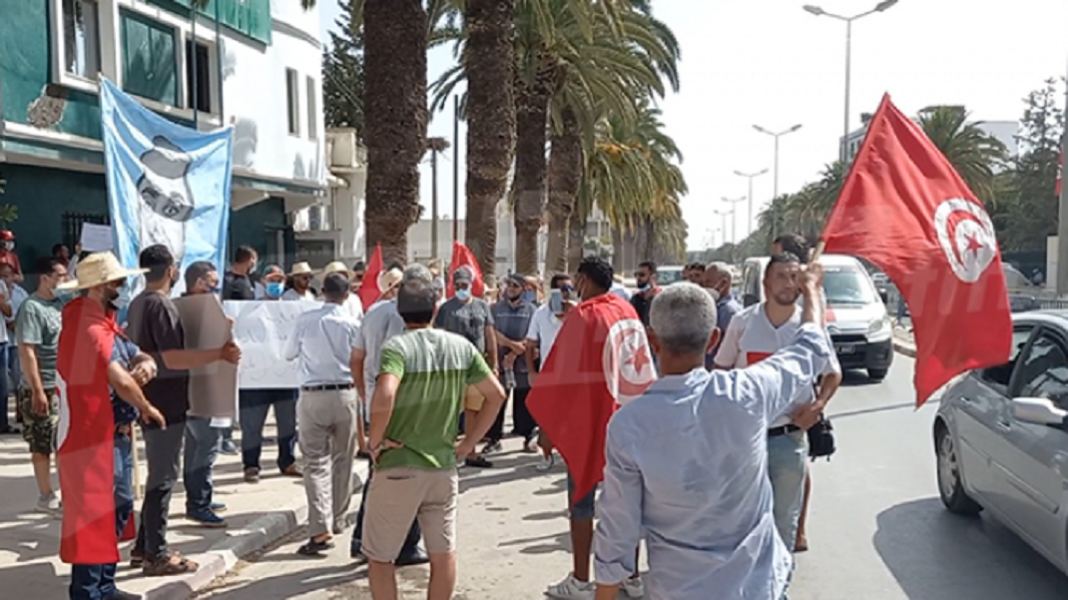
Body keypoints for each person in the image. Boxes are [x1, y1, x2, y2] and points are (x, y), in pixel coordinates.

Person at [593, 275, 832, 600]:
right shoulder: (749, 394)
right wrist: (813, 292)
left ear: (653, 341)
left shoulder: (629, 426)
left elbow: (617, 528)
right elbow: (809, 349)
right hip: (757, 588)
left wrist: (603, 595)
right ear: (713, 339)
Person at [364, 277, 506, 600]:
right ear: (436, 308)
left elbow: (385, 395)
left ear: (399, 311)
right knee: (443, 556)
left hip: (399, 465)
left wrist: (375, 442)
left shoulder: (396, 348)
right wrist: (468, 444)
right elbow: (495, 396)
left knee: (381, 557)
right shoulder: (460, 347)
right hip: (443, 466)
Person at [713, 254, 842, 555]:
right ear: (766, 282)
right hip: (746, 440)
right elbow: (720, 370)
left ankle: (777, 584)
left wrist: (818, 405)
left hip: (788, 439)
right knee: (742, 519)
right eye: (781, 275)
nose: (789, 282)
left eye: (795, 276)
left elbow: (833, 373)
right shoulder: (743, 322)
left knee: (784, 521)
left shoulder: (808, 326)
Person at [55, 251, 166, 600]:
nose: (122, 285)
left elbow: (132, 352)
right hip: (91, 439)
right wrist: (146, 405)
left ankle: (103, 584)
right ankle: (89, 590)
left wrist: (146, 362)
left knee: (113, 509)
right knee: (94, 515)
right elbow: (119, 378)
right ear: (102, 286)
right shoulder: (88, 327)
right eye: (118, 281)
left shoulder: (102, 323)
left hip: (109, 435)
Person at [127, 245, 241, 576]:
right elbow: (173, 359)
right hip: (165, 401)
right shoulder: (160, 305)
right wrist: (219, 353)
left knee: (159, 474)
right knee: (163, 477)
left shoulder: (138, 303)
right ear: (171, 271)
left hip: (152, 398)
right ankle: (156, 554)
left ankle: (143, 547)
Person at [545, 257, 645, 600]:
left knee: (581, 504)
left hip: (592, 422)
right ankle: (631, 576)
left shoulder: (584, 316)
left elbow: (561, 376)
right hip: (631, 420)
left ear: (584, 280)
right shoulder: (626, 310)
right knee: (628, 504)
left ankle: (581, 579)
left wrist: (549, 427)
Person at [350, 266, 427, 564]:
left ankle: (361, 538)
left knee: (378, 472)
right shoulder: (404, 317)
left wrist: (363, 393)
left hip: (375, 401)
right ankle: (405, 544)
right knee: (411, 475)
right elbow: (400, 365)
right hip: (399, 405)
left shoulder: (372, 312)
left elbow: (356, 358)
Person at [285, 272, 361, 556]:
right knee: (344, 460)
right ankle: (338, 518)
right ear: (346, 295)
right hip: (345, 394)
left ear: (322, 292)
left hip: (313, 394)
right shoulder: (354, 324)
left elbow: (288, 353)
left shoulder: (305, 320)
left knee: (315, 463)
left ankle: (320, 527)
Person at [179, 260, 233, 521]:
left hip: (192, 389)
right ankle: (199, 503)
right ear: (199, 283)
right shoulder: (199, 310)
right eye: (212, 283)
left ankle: (199, 497)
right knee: (208, 445)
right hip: (203, 389)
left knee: (195, 445)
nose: (216, 288)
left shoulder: (181, 307)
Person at [16, 257, 70, 514]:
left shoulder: (61, 304)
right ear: (45, 278)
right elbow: (27, 351)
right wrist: (37, 390)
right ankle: (45, 494)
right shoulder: (31, 308)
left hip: (61, 384)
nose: (64, 280)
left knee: (62, 440)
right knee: (42, 442)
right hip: (42, 384)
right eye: (60, 275)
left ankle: (64, 491)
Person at [241, 264, 300, 483]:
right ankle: (251, 465)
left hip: (285, 377)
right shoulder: (248, 309)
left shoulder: (293, 310)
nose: (276, 284)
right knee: (252, 424)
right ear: (264, 282)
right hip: (256, 378)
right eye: (272, 280)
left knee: (288, 423)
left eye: (280, 280)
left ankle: (287, 460)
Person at [434, 266, 498, 468]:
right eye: (458, 285)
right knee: (451, 411)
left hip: (477, 366)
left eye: (465, 284)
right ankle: (445, 452)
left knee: (473, 410)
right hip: (453, 367)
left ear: (472, 285)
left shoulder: (482, 306)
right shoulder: (446, 309)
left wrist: (493, 364)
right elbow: (440, 337)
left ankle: (470, 452)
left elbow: (490, 335)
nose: (462, 288)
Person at [525, 274, 576, 471]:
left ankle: (571, 455)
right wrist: (532, 372)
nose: (566, 293)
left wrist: (571, 315)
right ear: (553, 291)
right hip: (549, 375)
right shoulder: (540, 313)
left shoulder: (578, 312)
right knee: (546, 420)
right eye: (562, 289)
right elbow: (530, 344)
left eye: (569, 289)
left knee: (574, 419)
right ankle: (547, 456)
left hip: (574, 376)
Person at [490, 274, 537, 452]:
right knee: (498, 401)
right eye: (509, 285)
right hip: (502, 365)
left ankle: (528, 438)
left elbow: (532, 337)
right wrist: (512, 346)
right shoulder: (495, 309)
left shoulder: (532, 310)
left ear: (523, 289)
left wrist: (515, 353)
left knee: (524, 403)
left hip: (523, 365)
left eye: (515, 286)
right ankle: (494, 439)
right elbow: (492, 333)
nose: (511, 288)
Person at [703, 262, 741, 366]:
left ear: (724, 283)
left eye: (708, 283)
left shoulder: (728, 311)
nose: (705, 288)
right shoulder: (716, 306)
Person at [0, 265, 15, 435]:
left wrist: (2, 301)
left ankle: (2, 423)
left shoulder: (1, 285)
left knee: (2, 387)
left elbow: (9, 312)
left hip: (2, 340)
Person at [629, 261, 659, 327]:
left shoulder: (660, 298)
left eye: (642, 275)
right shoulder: (635, 298)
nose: (638, 278)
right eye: (636, 275)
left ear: (652, 277)